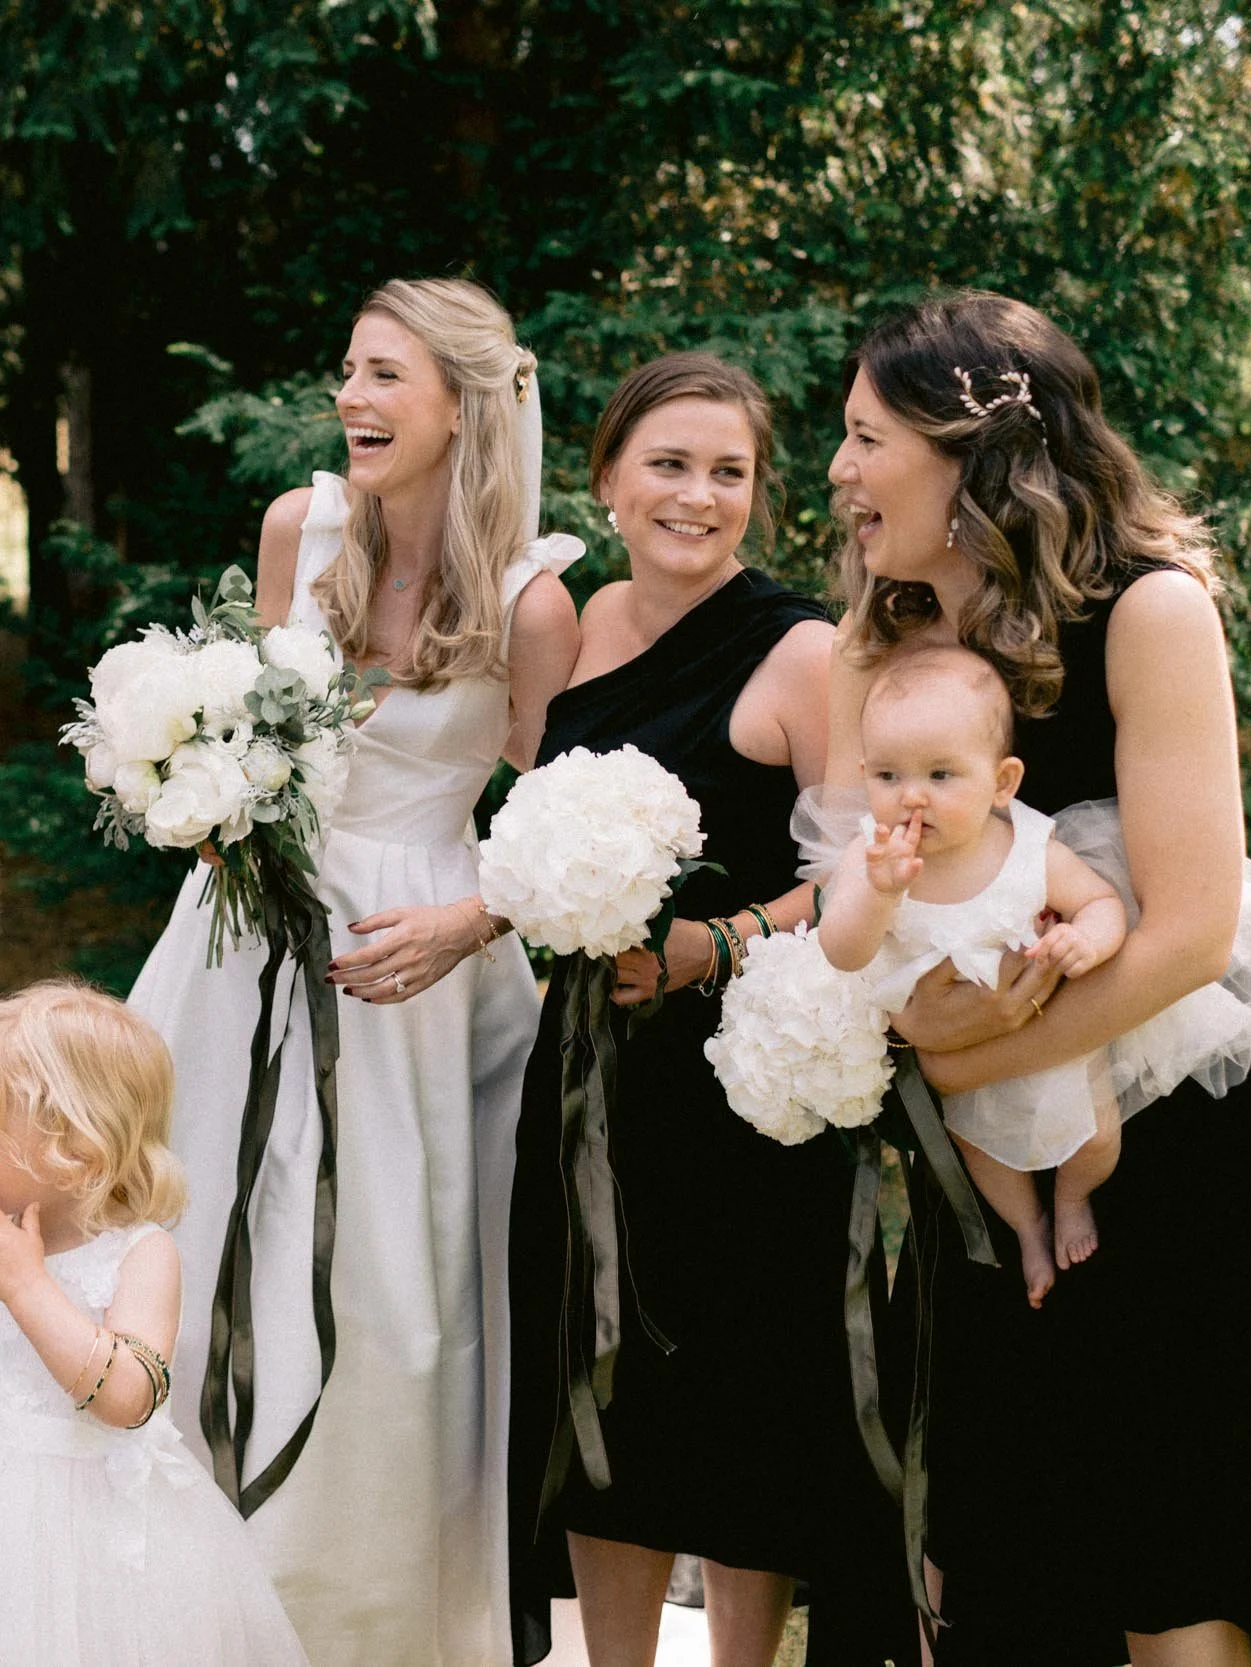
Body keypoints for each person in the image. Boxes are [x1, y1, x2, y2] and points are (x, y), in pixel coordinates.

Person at [824, 289, 1251, 1666]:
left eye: (865, 438)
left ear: (966, 447)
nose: (842, 474)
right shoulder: (883, 638)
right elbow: (869, 888)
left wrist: (967, 1057)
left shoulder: (1151, 609)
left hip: (1170, 1156)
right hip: (983, 1169)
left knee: (1179, 1547)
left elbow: (1193, 926)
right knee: (1014, 1546)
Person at [127, 276, 582, 1667]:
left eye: (387, 375)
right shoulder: (301, 528)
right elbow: (253, 731)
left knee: (395, 1285)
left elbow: (558, 824)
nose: (354, 399)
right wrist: (204, 796)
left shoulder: (535, 597)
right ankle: (194, 1586)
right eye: (349, 370)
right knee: (212, 1233)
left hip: (421, 969)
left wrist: (476, 920)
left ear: (464, 402)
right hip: (252, 938)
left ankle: (370, 1604)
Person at [504, 353, 905, 1667]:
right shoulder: (566, 621)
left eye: (728, 471)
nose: (698, 494)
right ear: (609, 476)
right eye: (669, 464)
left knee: (749, 1407)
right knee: (600, 1394)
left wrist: (711, 944)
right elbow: (516, 825)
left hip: (748, 1081)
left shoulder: (805, 648)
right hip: (591, 1076)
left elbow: (855, 874)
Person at [0, 981, 310, 1667]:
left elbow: (129, 1399)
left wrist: (27, 1284)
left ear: (79, 1149)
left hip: (111, 1539)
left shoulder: (140, 1253)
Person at [814, 644, 1130, 1303]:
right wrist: (877, 893)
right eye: (890, 777)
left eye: (940, 774)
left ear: (1002, 782)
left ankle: (1074, 1198)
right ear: (865, 773)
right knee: (988, 1159)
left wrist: (1085, 940)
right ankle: (1030, 1229)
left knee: (1099, 1137)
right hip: (965, 1057)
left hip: (1059, 1041)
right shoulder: (870, 857)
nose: (912, 798)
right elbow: (842, 950)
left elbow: (1102, 901)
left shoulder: (1027, 846)